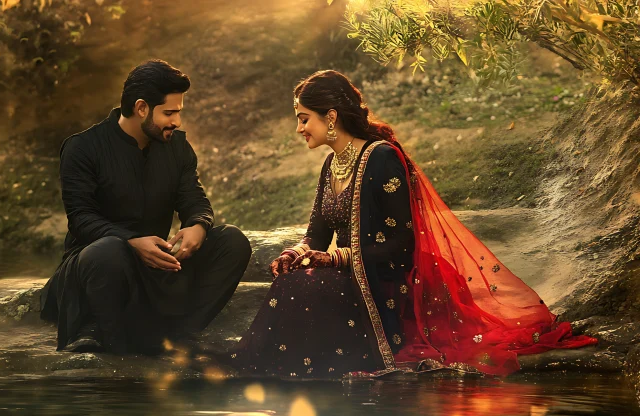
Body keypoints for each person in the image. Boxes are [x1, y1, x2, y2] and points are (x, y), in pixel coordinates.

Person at [217, 70, 596, 378]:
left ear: (330, 116)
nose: (299, 129)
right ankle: (280, 376)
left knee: (303, 286)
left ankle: (283, 376)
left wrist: (334, 260)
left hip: (388, 281)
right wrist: (297, 252)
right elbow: (317, 232)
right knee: (293, 276)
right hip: (352, 273)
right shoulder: (332, 164)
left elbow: (402, 244)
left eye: (304, 119)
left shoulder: (381, 159)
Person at [40, 60, 252, 355]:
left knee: (232, 240)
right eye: (169, 112)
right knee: (108, 251)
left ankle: (181, 333)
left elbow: (194, 198)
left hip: (158, 262)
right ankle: (95, 328)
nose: (176, 121)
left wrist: (198, 225)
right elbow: (81, 219)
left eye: (178, 112)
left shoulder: (177, 147)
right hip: (97, 265)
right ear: (141, 108)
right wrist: (131, 241)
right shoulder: (83, 148)